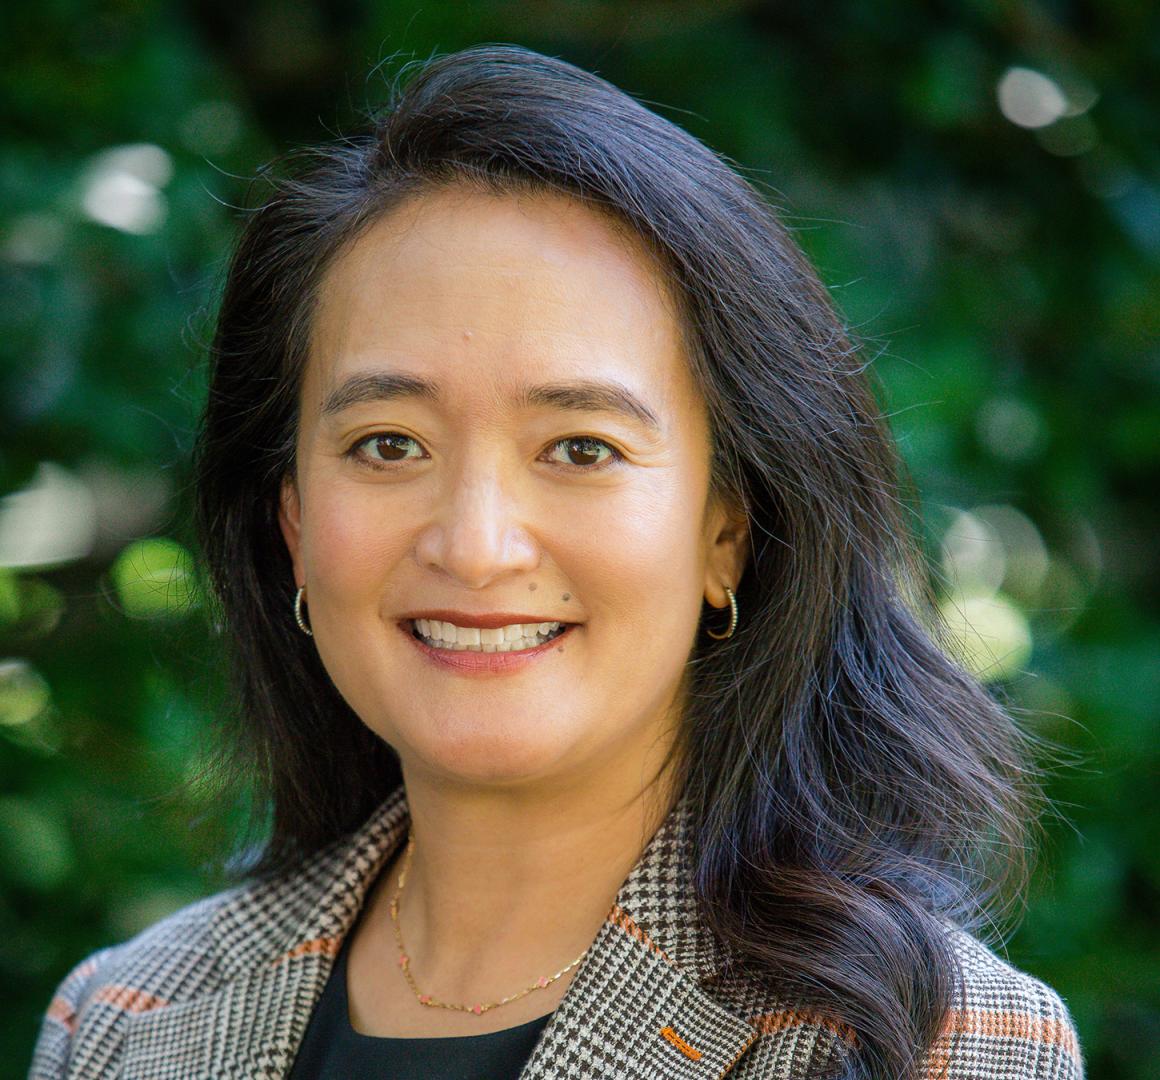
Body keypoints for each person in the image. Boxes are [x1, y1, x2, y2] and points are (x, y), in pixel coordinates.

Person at [29, 43, 1083, 1080]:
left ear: (727, 531)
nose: (476, 547)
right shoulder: (124, 1022)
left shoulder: (929, 1043)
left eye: (581, 449)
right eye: (388, 445)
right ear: (294, 525)